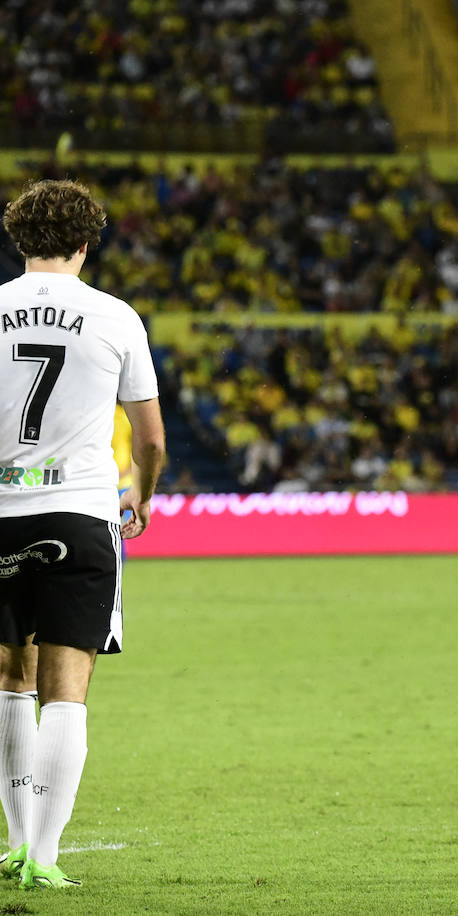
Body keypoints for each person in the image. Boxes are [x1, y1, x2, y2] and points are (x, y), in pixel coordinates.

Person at [0, 179, 165, 888]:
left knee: (10, 679)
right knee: (67, 687)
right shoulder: (114, 316)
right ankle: (44, 856)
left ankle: (13, 843)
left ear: (18, 241)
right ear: (87, 243)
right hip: (80, 512)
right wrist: (143, 495)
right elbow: (151, 438)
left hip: (1, 511)